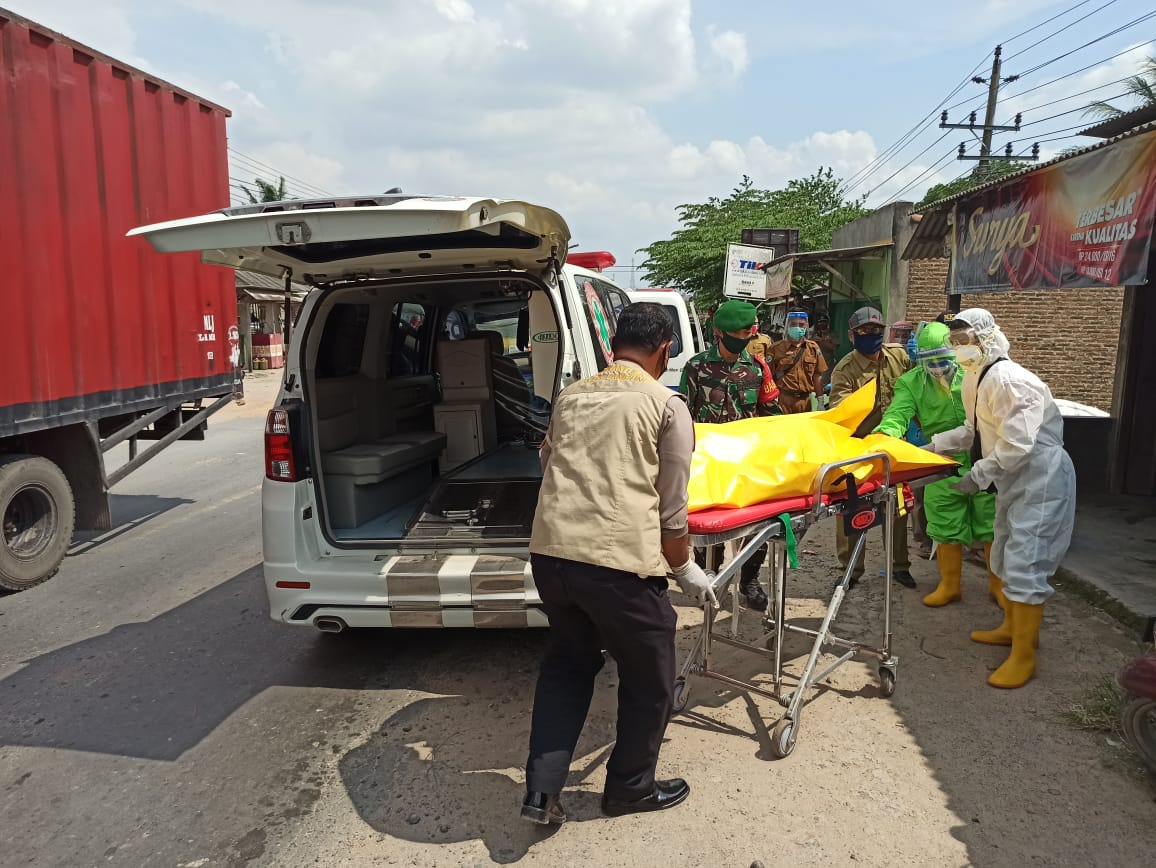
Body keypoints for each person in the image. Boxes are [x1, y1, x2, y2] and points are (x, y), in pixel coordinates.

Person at [522, 303, 713, 825]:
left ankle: (541, 794)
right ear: (665, 350)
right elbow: (672, 504)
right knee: (650, 673)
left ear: (612, 346)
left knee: (568, 664)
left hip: (552, 556)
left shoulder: (573, 395)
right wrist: (684, 568)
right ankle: (630, 787)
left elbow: (549, 462)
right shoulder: (665, 405)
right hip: (616, 565)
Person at [931, 308, 1076, 689]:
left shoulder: (1011, 380)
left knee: (1027, 559)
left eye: (966, 340)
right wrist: (931, 448)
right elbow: (971, 430)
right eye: (955, 342)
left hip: (1041, 479)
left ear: (987, 338)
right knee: (1006, 552)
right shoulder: (975, 378)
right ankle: (1012, 628)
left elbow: (1018, 444)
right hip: (1013, 479)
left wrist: (977, 475)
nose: (960, 349)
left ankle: (1025, 655)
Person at [875, 322, 998, 608]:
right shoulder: (912, 383)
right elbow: (898, 414)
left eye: (943, 359)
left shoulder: (975, 374)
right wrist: (884, 436)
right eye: (929, 362)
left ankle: (999, 587)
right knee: (945, 524)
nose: (938, 367)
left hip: (985, 457)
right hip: (940, 463)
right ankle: (950, 585)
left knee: (992, 523)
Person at [680, 299, 779, 611]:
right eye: (737, 332)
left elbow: (771, 414)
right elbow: (682, 415)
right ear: (719, 333)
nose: (743, 338)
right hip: (708, 460)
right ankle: (709, 574)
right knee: (711, 525)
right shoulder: (696, 367)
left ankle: (749, 580)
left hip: (747, 459)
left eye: (747, 333)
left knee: (756, 523)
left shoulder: (758, 368)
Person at [829, 306, 917, 589]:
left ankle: (901, 566)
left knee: (897, 508)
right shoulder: (846, 370)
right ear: (852, 335)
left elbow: (915, 387)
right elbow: (841, 414)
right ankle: (851, 570)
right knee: (853, 509)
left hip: (894, 447)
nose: (872, 336)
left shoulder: (899, 357)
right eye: (864, 331)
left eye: (877, 331)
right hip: (860, 449)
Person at [766, 310, 828, 413]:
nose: (797, 327)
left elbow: (817, 375)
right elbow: (768, 376)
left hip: (805, 401)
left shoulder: (813, 348)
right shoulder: (775, 348)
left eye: (801, 324)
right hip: (782, 400)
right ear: (787, 326)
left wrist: (820, 401)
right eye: (793, 324)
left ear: (806, 326)